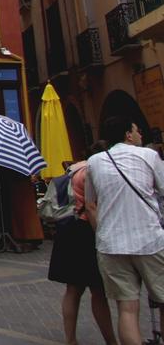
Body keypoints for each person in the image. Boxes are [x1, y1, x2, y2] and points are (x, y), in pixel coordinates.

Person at [86, 116, 164, 345]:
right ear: (128, 134)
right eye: (137, 131)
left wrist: (102, 233)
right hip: (150, 239)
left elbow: (91, 205)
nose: (141, 135)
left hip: (111, 244)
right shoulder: (149, 155)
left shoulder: (94, 162)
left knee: (127, 309)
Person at [47, 142, 117, 345]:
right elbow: (91, 205)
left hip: (68, 230)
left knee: (73, 289)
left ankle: (71, 339)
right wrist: (101, 236)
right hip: (85, 231)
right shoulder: (91, 172)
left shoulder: (74, 168)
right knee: (98, 290)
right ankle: (111, 340)